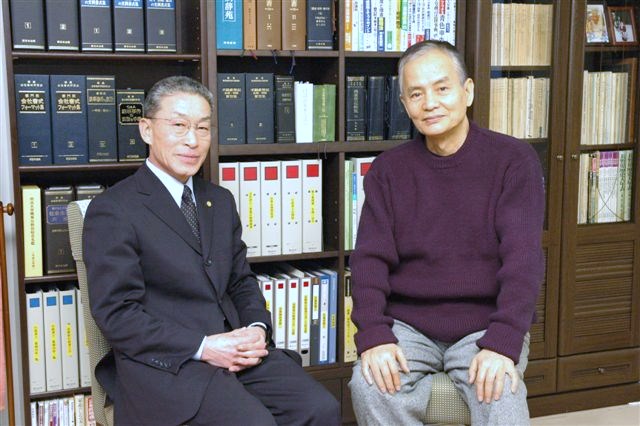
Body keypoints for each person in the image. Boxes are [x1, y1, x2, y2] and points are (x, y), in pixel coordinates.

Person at [83, 76, 340, 426]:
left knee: (321, 408)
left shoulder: (219, 201)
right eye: (179, 125)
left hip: (236, 353)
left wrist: (257, 328)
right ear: (146, 129)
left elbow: (240, 281)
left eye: (203, 128)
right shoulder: (114, 209)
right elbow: (118, 314)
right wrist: (204, 346)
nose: (193, 140)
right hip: (170, 365)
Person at [348, 40, 545, 426]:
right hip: (408, 324)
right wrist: (374, 335)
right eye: (416, 94)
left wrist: (503, 342)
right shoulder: (389, 171)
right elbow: (369, 261)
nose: (430, 103)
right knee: (369, 384)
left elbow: (523, 260)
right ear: (405, 104)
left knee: (499, 392)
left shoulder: (513, 161)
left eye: (442, 88)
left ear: (467, 91)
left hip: (485, 321)